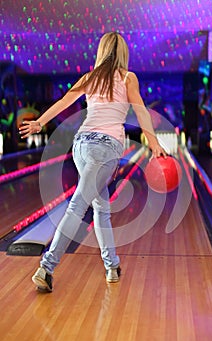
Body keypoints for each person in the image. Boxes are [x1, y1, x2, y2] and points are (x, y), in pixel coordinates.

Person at [19, 32, 166, 292]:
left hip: (81, 146)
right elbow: (141, 109)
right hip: (106, 148)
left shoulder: (90, 77)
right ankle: (46, 266)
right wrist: (152, 141)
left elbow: (65, 101)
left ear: (101, 52)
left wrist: (41, 122)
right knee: (78, 205)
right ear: (122, 53)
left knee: (101, 208)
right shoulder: (127, 77)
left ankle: (112, 266)